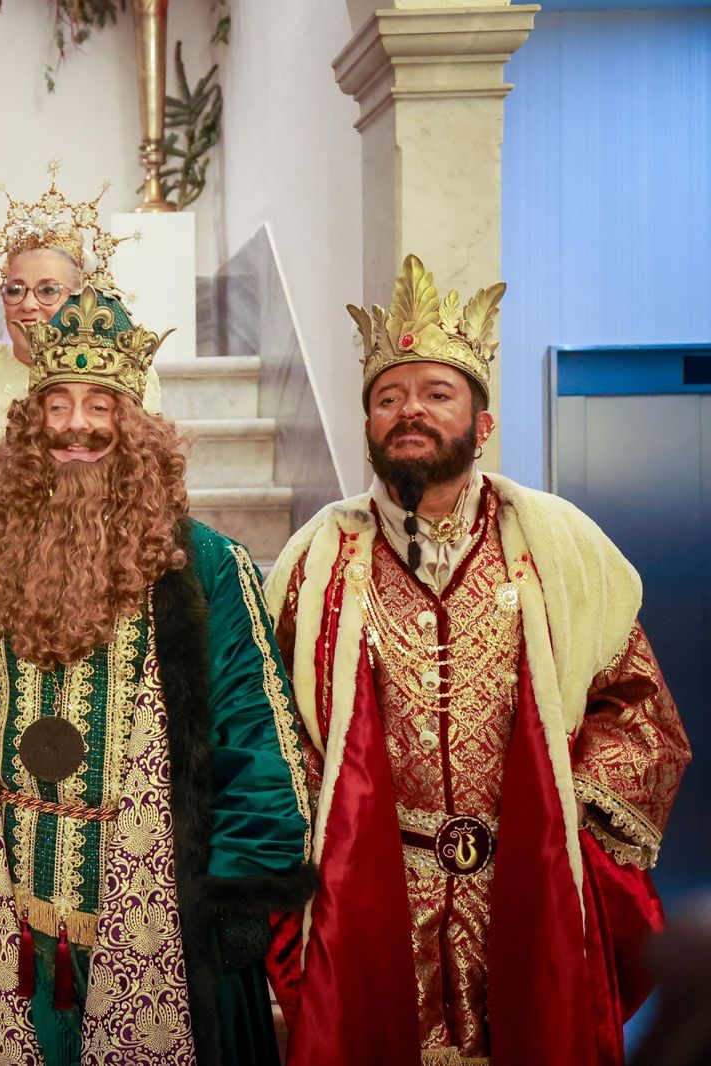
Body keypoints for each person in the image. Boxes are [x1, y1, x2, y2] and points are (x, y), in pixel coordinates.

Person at [263, 255, 691, 1066]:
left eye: (435, 394)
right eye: (388, 399)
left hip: (528, 888)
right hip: (377, 898)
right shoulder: (316, 559)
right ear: (368, 426)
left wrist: (574, 835)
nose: (409, 412)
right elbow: (276, 729)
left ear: (482, 424)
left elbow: (639, 709)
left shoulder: (560, 546)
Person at [0, 285, 315, 1065]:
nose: (76, 426)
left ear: (133, 425)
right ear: (31, 426)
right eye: (58, 406)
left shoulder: (206, 563)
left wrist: (233, 904)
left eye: (99, 406)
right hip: (12, 912)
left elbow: (256, 735)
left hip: (157, 918)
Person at [0, 167, 160, 498]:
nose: (27, 304)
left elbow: (144, 482)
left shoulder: (122, 371)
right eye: (15, 290)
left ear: (80, 299)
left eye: (47, 290)